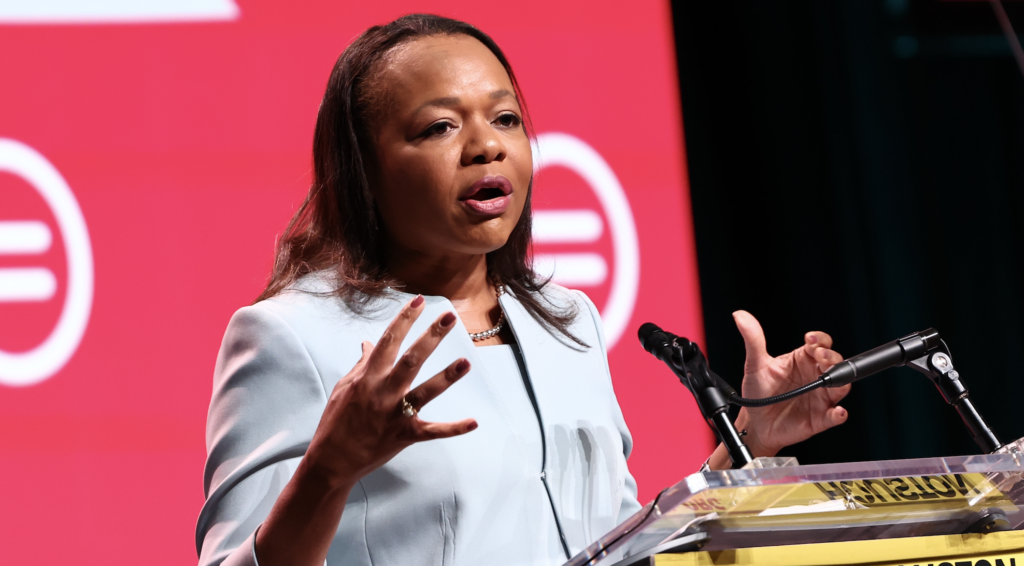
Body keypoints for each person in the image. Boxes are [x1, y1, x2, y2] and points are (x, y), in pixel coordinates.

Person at [195, 14, 851, 566]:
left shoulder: (567, 321)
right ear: (363, 171)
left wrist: (746, 446)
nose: (486, 146)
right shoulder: (294, 337)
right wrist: (328, 473)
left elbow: (621, 549)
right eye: (439, 127)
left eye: (505, 119)